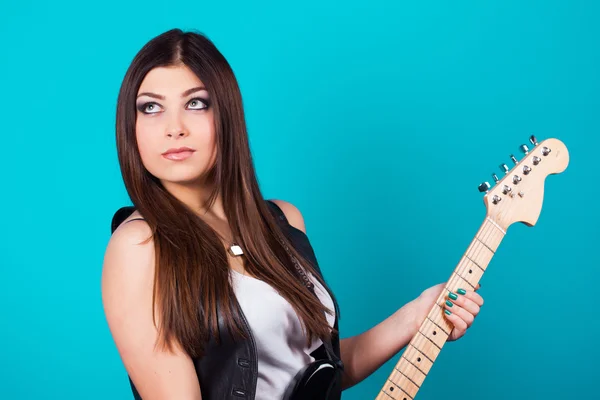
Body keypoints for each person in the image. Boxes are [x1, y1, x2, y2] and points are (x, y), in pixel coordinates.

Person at [101, 28, 484, 400]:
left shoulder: (282, 222)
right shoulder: (138, 247)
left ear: (227, 115)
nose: (174, 128)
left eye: (196, 103)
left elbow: (315, 373)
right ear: (130, 125)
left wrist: (415, 317)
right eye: (150, 107)